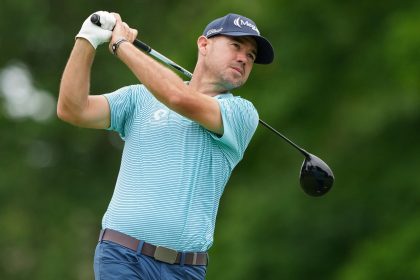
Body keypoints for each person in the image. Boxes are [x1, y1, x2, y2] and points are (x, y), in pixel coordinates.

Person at [57, 10, 274, 280]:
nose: (243, 58)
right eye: (236, 46)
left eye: (251, 56)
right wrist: (87, 39)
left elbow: (178, 98)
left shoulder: (241, 113)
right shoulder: (139, 98)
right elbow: (72, 108)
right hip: (122, 256)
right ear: (204, 45)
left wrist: (120, 45)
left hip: (185, 269)